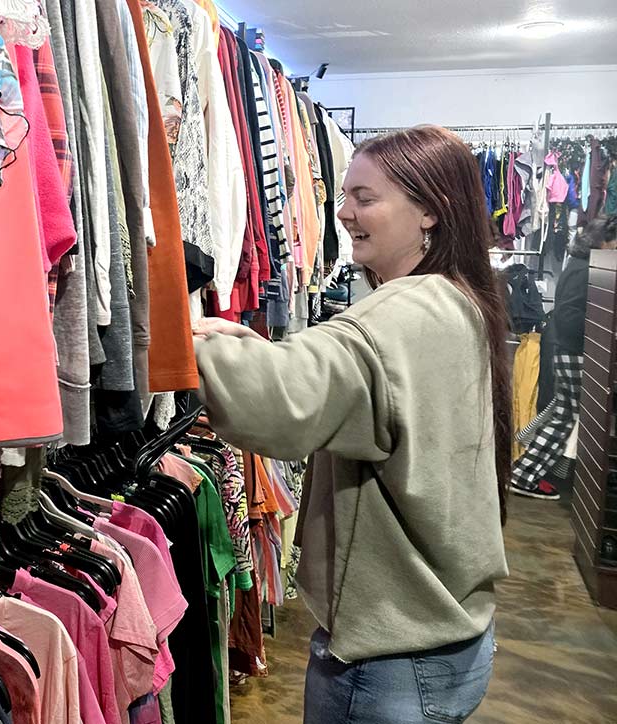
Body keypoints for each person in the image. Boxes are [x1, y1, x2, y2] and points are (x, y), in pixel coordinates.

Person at [192, 125, 510, 723]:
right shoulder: (459, 300)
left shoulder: (403, 312)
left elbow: (279, 403)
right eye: (345, 197)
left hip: (392, 655)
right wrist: (248, 346)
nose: (343, 213)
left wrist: (172, 340)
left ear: (430, 212)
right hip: (450, 634)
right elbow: (358, 385)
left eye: (365, 198)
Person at [511, 214, 617, 500]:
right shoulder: (588, 268)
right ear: (604, 241)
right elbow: (571, 315)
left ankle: (524, 462)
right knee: (564, 416)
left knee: (561, 410)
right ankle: (523, 475)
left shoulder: (579, 264)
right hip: (576, 350)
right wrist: (591, 341)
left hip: (567, 347)